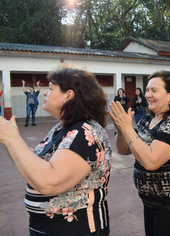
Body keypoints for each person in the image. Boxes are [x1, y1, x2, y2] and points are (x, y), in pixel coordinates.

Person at [0, 66, 112, 236]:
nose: (45, 93)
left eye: (51, 88)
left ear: (69, 95)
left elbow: (49, 182)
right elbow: (31, 165)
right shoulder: (61, 128)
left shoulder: (85, 132)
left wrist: (13, 140)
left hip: (76, 230)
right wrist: (8, 140)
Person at [109, 70, 170, 236]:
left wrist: (128, 128)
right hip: (151, 201)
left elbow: (151, 161)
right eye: (147, 90)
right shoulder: (147, 120)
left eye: (154, 90)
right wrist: (121, 130)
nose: (148, 94)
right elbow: (124, 149)